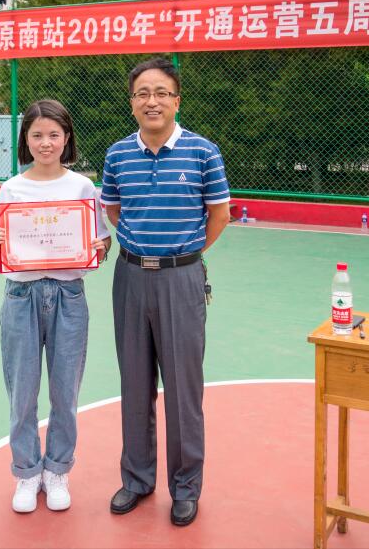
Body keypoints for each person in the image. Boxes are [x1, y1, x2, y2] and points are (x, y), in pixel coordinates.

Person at [100, 57, 231, 527]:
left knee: (182, 389)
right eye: (142, 93)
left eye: (161, 93)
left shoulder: (203, 152)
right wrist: (146, 248)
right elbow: (113, 210)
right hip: (130, 277)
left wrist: (183, 254)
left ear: (177, 100)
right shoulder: (118, 154)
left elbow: (219, 215)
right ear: (131, 102)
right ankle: (137, 479)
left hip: (182, 280)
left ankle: (186, 486)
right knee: (134, 384)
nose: (151, 101)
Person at [0, 99, 112, 514]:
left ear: (66, 138)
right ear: (25, 139)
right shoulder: (11, 188)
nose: (45, 143)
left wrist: (99, 247)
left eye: (54, 135)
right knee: (21, 392)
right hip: (21, 297)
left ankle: (57, 469)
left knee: (65, 391)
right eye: (37, 135)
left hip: (68, 296)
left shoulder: (83, 188)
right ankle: (26, 472)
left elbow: (99, 241)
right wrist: (1, 241)